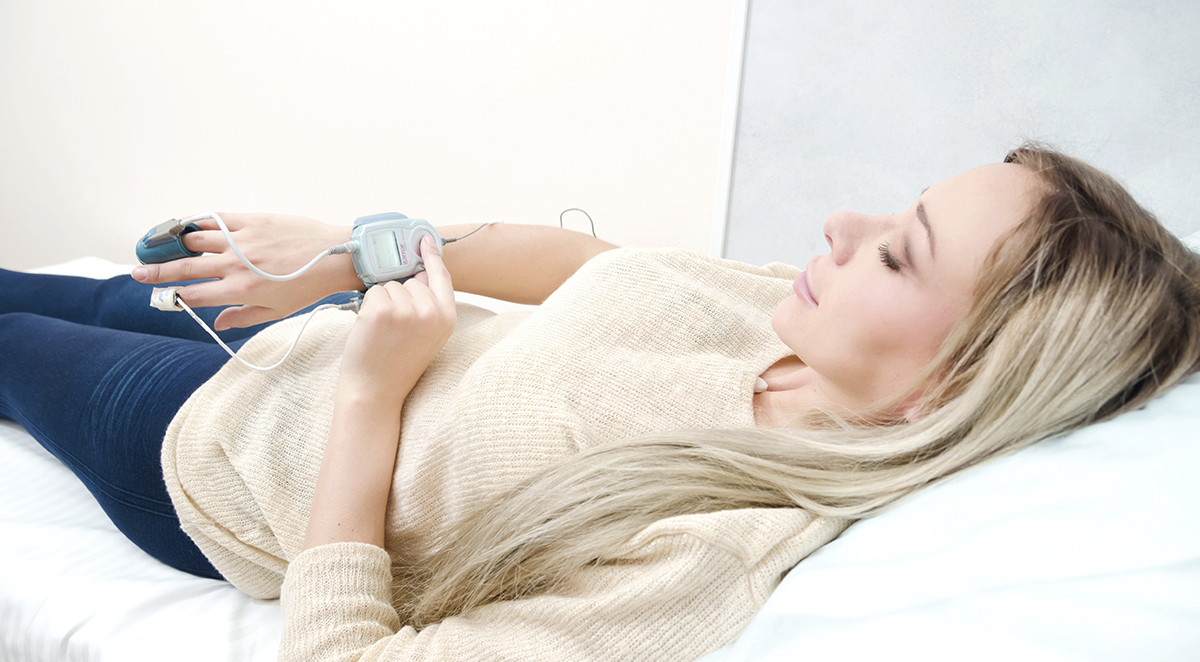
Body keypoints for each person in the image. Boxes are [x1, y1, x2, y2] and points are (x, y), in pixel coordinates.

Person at [1, 145, 1198, 661]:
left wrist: (371, 391)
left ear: (957, 384)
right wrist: (346, 258)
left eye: (898, 250)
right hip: (300, 329)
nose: (844, 225)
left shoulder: (712, 555)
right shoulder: (790, 317)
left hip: (221, 445)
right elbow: (595, 267)